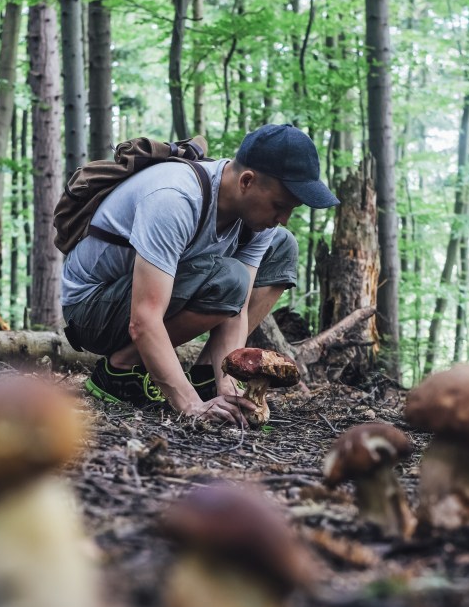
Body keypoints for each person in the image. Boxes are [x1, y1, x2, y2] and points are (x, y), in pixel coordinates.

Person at [61, 124, 340, 426]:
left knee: (282, 245)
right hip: (91, 310)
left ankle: (207, 374)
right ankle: (120, 371)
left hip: (142, 298)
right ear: (247, 181)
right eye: (279, 205)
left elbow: (238, 310)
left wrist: (228, 382)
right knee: (229, 277)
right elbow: (144, 320)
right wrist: (190, 404)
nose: (283, 217)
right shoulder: (175, 198)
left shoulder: (254, 216)